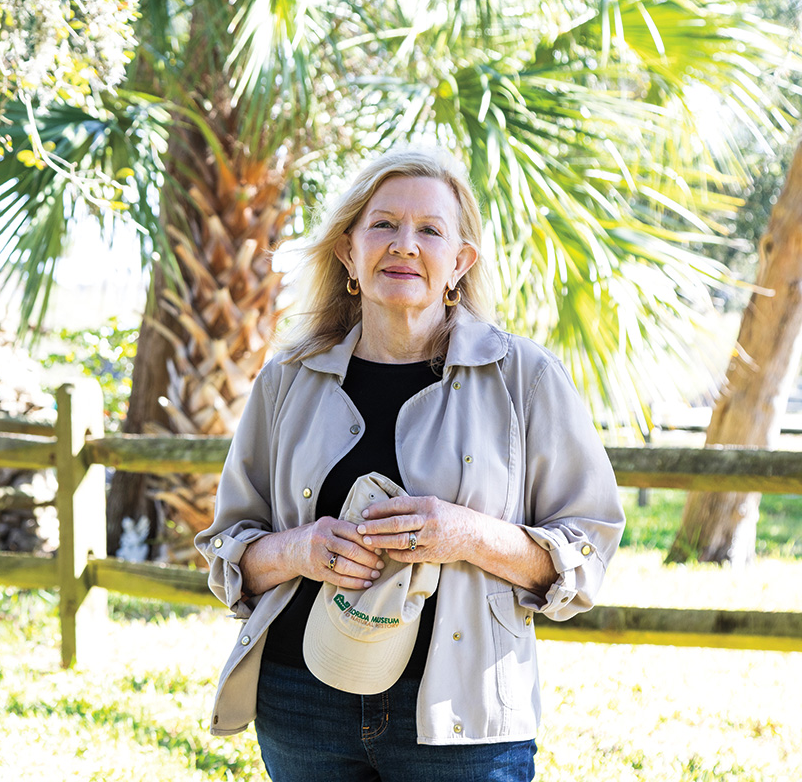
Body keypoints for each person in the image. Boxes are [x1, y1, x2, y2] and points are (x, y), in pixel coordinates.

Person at [195, 147, 625, 782]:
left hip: (461, 716)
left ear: (460, 262)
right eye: (383, 225)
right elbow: (231, 551)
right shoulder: (286, 381)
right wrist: (301, 549)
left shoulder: (525, 379)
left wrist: (466, 535)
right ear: (348, 252)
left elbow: (586, 552)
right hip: (301, 704)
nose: (404, 244)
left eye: (430, 230)